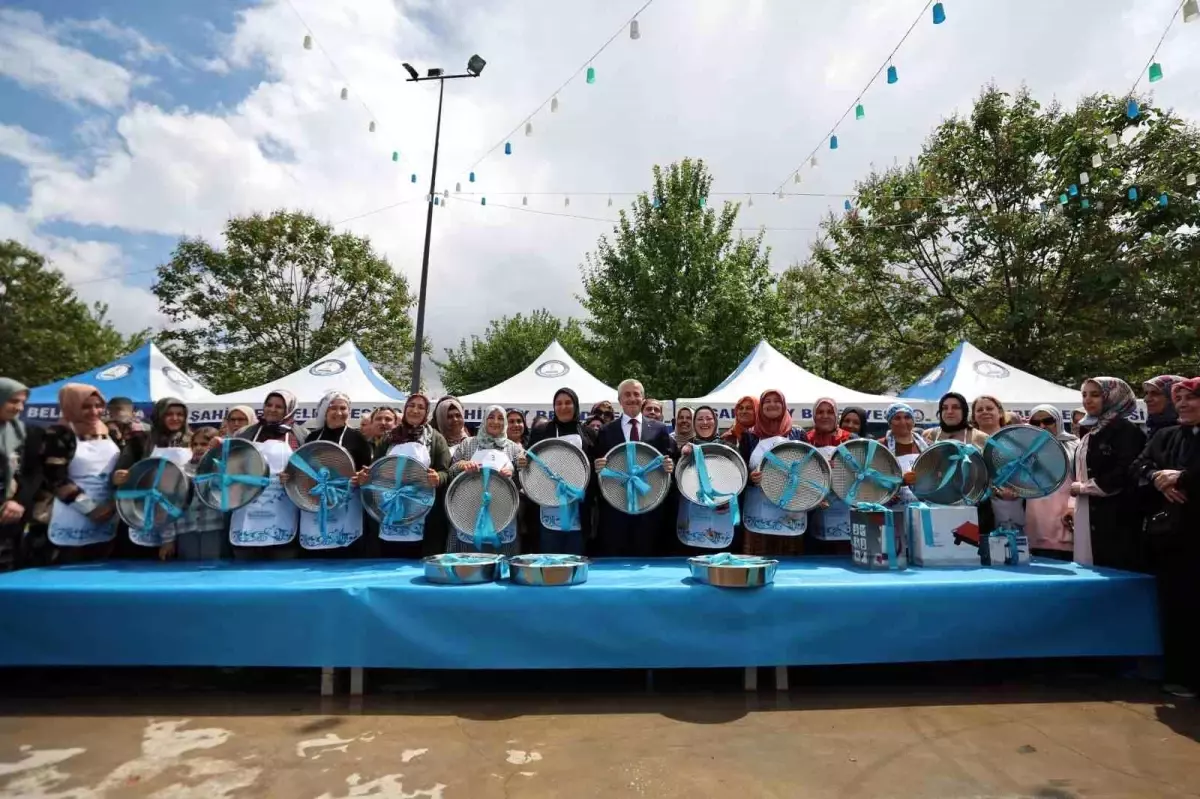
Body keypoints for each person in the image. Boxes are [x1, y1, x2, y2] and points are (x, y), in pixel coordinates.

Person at [1130, 376, 1200, 698]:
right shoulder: (1167, 435)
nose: (1184, 404)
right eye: (1180, 399)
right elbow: (1139, 465)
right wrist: (1157, 476)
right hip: (1172, 538)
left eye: (1192, 398)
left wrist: (1183, 478)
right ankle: (1181, 676)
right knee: (1176, 606)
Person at [1066, 377, 1146, 570]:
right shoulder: (1093, 429)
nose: (1088, 400)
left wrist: (1086, 487)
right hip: (1088, 510)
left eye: (1095, 395)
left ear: (1113, 397)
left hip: (1115, 516)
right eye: (1084, 395)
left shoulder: (1126, 431)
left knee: (1113, 568)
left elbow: (1126, 470)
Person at [591, 379, 675, 557]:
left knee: (646, 557)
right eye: (627, 394)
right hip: (616, 508)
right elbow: (599, 467)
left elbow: (667, 463)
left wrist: (669, 466)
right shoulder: (606, 431)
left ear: (643, 398)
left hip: (648, 506)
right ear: (620, 400)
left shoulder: (659, 429)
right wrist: (598, 466)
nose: (632, 398)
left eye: (636, 394)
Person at [42, 384, 120, 563]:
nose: (94, 411)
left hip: (109, 513)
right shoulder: (59, 433)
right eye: (85, 406)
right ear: (71, 405)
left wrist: (113, 503)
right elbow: (55, 478)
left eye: (98, 405)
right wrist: (90, 508)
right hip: (71, 512)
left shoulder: (111, 432)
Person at [224, 390, 306, 560]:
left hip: (284, 509)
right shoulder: (245, 433)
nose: (272, 410)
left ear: (289, 410)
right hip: (247, 507)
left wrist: (294, 476)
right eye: (269, 405)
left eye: (279, 406)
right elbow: (230, 465)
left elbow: (308, 470)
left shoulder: (300, 435)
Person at [293, 390, 372, 556]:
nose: (338, 413)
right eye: (333, 408)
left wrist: (362, 477)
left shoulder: (357, 438)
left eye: (343, 408)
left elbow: (368, 471)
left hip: (347, 503)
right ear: (324, 411)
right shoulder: (312, 438)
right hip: (315, 500)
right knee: (316, 551)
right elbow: (303, 469)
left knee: (344, 552)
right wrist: (291, 475)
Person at [111, 397, 192, 559]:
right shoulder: (142, 439)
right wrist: (118, 477)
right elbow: (122, 469)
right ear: (159, 415)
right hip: (141, 511)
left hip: (179, 514)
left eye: (180, 414)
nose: (175, 418)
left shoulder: (190, 439)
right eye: (169, 414)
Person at [374, 393, 451, 558]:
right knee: (389, 557)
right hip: (391, 506)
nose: (415, 410)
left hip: (424, 510)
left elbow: (446, 471)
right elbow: (376, 468)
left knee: (418, 559)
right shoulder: (389, 438)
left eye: (421, 407)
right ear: (405, 408)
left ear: (426, 413)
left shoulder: (435, 439)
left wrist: (438, 478)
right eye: (411, 405)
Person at [523, 388, 594, 555]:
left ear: (576, 406)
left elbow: (593, 467)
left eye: (568, 403)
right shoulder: (541, 432)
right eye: (559, 403)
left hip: (578, 504)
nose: (563, 407)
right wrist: (522, 461)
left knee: (575, 554)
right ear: (554, 407)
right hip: (547, 501)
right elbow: (529, 460)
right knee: (549, 554)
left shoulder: (588, 433)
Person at [447, 405, 524, 555]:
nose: (496, 422)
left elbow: (524, 479)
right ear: (484, 420)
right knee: (467, 556)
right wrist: (463, 465)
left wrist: (514, 474)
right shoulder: (468, 444)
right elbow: (451, 471)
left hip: (503, 509)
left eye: (500, 418)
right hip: (469, 508)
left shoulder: (514, 448)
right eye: (491, 417)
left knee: (502, 558)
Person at [739, 389, 807, 557]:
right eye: (767, 401)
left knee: (790, 560)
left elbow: (808, 469)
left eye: (776, 401)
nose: (772, 404)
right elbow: (740, 472)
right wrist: (750, 478)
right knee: (759, 557)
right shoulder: (749, 435)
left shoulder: (798, 434)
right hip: (759, 510)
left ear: (784, 405)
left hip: (791, 509)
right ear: (761, 407)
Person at [675, 405, 739, 554]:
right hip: (693, 509)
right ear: (694, 423)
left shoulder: (729, 448)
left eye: (709, 418)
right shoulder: (686, 449)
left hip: (721, 508)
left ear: (715, 422)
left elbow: (738, 477)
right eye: (700, 419)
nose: (705, 422)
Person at [1022, 405, 1079, 561]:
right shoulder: (1024, 450)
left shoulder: (1075, 447)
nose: (1042, 426)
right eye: (1035, 422)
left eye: (1048, 421)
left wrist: (1073, 507)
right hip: (1036, 522)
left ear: (1059, 422)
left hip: (1066, 518)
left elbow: (1081, 480)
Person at [167, 426, 229, 561]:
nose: (198, 448)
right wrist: (169, 538)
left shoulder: (223, 469)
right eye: (195, 444)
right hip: (185, 528)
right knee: (187, 573)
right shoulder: (181, 471)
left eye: (204, 444)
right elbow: (170, 505)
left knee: (213, 570)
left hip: (213, 527)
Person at [1, 378, 43, 571]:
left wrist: (17, 501)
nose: (19, 408)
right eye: (13, 401)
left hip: (9, 516)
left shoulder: (26, 433)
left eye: (22, 403)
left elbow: (33, 473)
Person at [804, 398, 853, 554]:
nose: (824, 416)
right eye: (820, 412)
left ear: (836, 415)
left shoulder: (850, 438)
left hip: (846, 507)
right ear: (814, 416)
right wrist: (814, 497)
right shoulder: (805, 439)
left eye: (829, 412)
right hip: (813, 509)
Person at [923, 392, 989, 449]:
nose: (949, 411)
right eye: (945, 408)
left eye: (955, 407)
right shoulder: (928, 435)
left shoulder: (981, 438)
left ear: (964, 411)